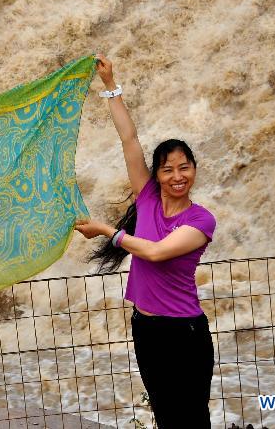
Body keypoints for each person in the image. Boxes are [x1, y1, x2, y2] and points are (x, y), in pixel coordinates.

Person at [73, 53, 217, 428]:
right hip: (146, 328)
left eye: (184, 167)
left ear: (194, 170)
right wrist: (110, 84)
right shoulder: (148, 197)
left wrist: (108, 231)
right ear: (158, 174)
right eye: (168, 169)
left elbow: (153, 253)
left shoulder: (200, 219)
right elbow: (129, 138)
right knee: (167, 417)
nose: (177, 175)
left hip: (183, 333)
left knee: (191, 418)